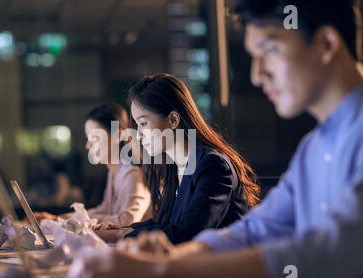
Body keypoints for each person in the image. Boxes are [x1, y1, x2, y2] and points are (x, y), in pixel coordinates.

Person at [65, 0, 363, 278]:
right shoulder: (313, 147)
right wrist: (165, 257)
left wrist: (162, 269)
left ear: (326, 44)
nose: (257, 75)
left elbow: (331, 255)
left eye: (270, 51)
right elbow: (256, 230)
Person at [93, 73, 260, 244]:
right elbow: (166, 221)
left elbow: (187, 234)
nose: (139, 135)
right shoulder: (176, 167)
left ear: (173, 120)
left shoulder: (213, 166)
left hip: (225, 266)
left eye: (143, 123)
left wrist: (119, 236)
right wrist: (122, 229)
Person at [35, 102, 152, 227]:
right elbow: (106, 208)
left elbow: (129, 219)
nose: (88, 145)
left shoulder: (132, 173)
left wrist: (76, 220)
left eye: (94, 138)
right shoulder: (114, 171)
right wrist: (60, 218)